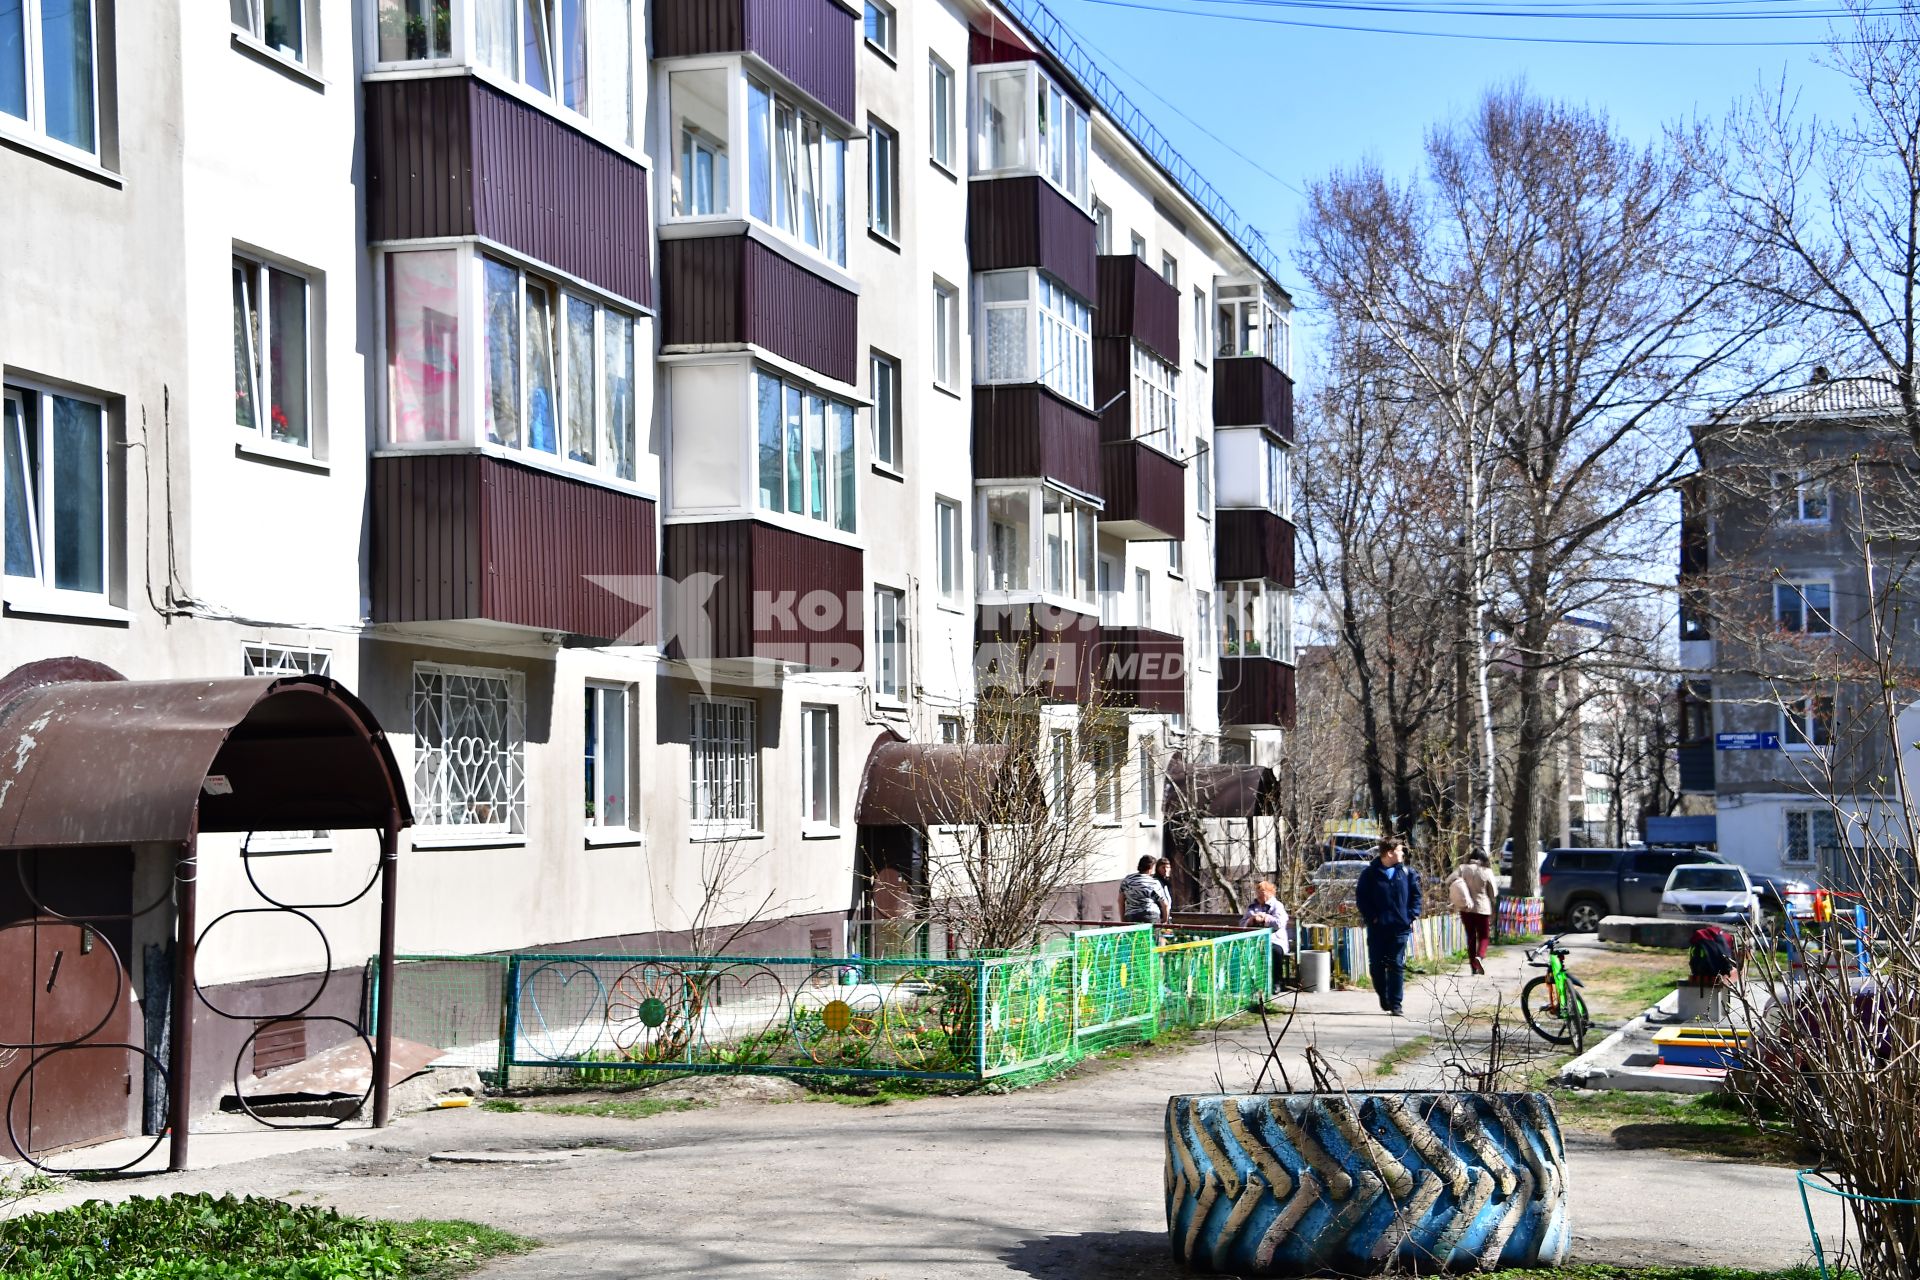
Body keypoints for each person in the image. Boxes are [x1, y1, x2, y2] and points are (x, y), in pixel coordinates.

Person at [1354, 837, 1422, 1016]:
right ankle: (1384, 997)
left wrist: (1411, 916)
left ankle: (1396, 1003)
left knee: (1396, 964)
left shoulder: (1407, 873)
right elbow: (1362, 899)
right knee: (1376, 966)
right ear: (1389, 853)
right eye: (1400, 850)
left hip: (1400, 927)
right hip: (1378, 928)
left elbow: (1416, 896)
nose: (1402, 853)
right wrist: (1373, 918)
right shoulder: (1370, 874)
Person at [1450, 852, 1499, 976]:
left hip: (1466, 908)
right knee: (1484, 936)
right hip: (1482, 908)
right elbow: (1493, 892)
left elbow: (1449, 880)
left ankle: (1473, 966)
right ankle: (1480, 956)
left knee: (1471, 937)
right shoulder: (1486, 871)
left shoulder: (1462, 868)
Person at [1241, 881, 1291, 987]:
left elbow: (1279, 923)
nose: (1259, 895)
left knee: (1275, 951)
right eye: (1258, 892)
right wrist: (1251, 920)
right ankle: (1252, 983)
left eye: (1262, 893)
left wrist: (1265, 918)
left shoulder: (1277, 906)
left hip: (1275, 940)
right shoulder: (1252, 907)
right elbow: (1241, 924)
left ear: (1270, 893)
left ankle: (1277, 982)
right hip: (1255, 940)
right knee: (1244, 950)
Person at [1119, 854, 1172, 925]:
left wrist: (1123, 920)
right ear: (1151, 868)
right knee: (1151, 935)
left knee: (1134, 936)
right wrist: (1165, 920)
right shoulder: (1153, 882)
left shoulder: (1127, 880)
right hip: (1150, 915)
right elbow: (1164, 904)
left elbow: (1120, 901)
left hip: (1131, 916)